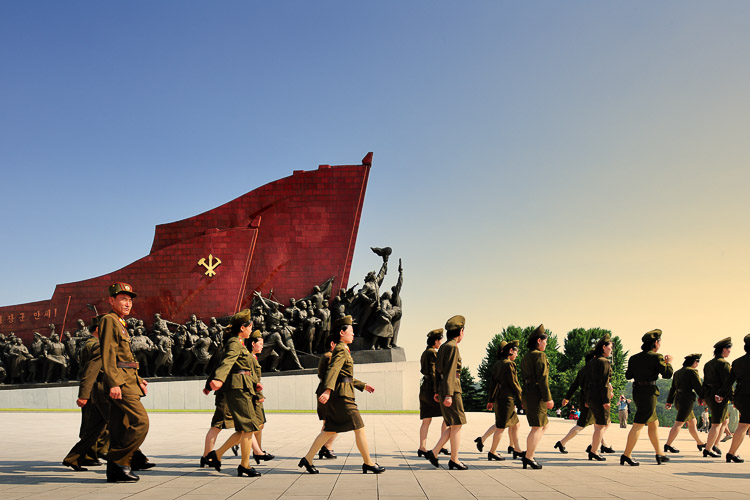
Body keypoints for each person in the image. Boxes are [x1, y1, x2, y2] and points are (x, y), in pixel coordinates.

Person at [298, 315, 384, 474]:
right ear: (341, 333)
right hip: (342, 397)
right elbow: (334, 370)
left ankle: (308, 459)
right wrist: (328, 390)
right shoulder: (339, 349)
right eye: (350, 331)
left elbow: (345, 375)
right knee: (360, 428)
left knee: (329, 430)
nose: (353, 334)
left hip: (344, 393)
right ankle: (368, 463)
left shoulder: (343, 349)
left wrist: (363, 385)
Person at [100, 282, 153, 482]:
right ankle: (116, 459)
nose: (127, 303)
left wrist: (139, 379)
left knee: (118, 427)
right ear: (111, 300)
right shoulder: (109, 320)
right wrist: (114, 383)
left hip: (129, 380)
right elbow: (108, 353)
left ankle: (117, 470)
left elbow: (126, 357)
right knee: (141, 422)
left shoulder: (121, 323)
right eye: (123, 299)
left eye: (130, 300)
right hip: (121, 383)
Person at [204, 310, 264, 477]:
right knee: (248, 426)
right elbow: (227, 362)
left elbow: (243, 369)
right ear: (242, 328)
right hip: (237, 389)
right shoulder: (234, 343)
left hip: (244, 388)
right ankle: (244, 465)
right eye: (250, 327)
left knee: (246, 428)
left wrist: (255, 383)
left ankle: (217, 455)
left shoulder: (240, 343)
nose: (251, 330)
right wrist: (218, 379)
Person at [620, 329, 673, 466]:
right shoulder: (657, 357)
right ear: (656, 343)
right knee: (638, 424)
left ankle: (659, 453)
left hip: (637, 391)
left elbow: (628, 376)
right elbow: (667, 374)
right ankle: (626, 454)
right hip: (649, 393)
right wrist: (669, 362)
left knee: (654, 423)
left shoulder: (634, 358)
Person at [62, 315, 108, 471]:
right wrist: (84, 394)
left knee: (93, 426)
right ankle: (107, 453)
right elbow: (90, 371)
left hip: (94, 388)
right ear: (97, 329)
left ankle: (80, 457)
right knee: (117, 423)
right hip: (97, 388)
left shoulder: (89, 344)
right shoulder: (95, 345)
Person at [423, 315, 468, 470]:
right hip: (452, 390)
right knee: (457, 424)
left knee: (454, 425)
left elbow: (437, 372)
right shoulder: (453, 347)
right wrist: (448, 394)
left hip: (444, 388)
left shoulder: (443, 347)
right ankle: (453, 459)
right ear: (460, 331)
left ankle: (435, 453)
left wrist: (438, 391)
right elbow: (449, 372)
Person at [555, 350, 614, 456]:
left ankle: (602, 445)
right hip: (590, 400)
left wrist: (567, 397)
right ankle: (562, 442)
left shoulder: (583, 370)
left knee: (601, 423)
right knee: (584, 424)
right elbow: (589, 386)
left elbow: (574, 385)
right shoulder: (591, 371)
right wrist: (588, 400)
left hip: (587, 399)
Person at [475, 340, 524, 461]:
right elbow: (514, 383)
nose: (517, 355)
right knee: (500, 427)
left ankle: (517, 449)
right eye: (516, 351)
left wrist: (490, 399)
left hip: (500, 398)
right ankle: (493, 452)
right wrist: (523, 399)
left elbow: (493, 384)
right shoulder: (509, 364)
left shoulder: (497, 365)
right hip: (506, 399)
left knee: (516, 424)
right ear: (511, 351)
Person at [520, 324, 554, 470]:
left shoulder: (527, 356)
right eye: (545, 341)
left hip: (528, 392)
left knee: (544, 425)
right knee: (537, 427)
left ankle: (529, 452)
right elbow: (543, 378)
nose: (546, 344)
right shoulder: (540, 355)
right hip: (537, 393)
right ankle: (529, 457)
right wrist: (548, 398)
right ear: (539, 341)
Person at [663, 354, 706, 454]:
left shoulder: (677, 372)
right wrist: (703, 397)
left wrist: (669, 401)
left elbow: (673, 388)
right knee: (679, 423)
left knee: (693, 422)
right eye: (697, 362)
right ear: (694, 362)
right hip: (686, 400)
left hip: (678, 399)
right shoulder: (692, 371)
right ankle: (668, 444)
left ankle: (699, 442)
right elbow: (698, 387)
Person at [418, 329, 449, 458]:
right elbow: (434, 372)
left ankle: (422, 447)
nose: (440, 343)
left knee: (426, 420)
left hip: (424, 387)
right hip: (432, 388)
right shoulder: (432, 354)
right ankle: (441, 445)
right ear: (435, 341)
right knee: (447, 417)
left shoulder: (424, 353)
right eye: (440, 340)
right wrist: (437, 391)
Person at [720, 333, 750, 463]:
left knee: (744, 424)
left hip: (741, 397)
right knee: (744, 425)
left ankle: (731, 453)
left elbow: (729, 382)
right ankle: (731, 453)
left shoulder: (737, 362)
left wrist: (720, 394)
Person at [702, 337, 732, 458]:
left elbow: (704, 381)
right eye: (729, 349)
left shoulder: (708, 364)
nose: (730, 351)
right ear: (724, 349)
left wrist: (703, 396)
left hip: (709, 394)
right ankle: (708, 448)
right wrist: (733, 398)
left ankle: (715, 444)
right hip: (719, 395)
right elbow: (727, 383)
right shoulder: (724, 364)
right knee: (716, 424)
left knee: (724, 420)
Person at [585, 336, 614, 461]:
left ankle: (594, 448)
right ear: (604, 347)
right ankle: (594, 451)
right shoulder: (604, 362)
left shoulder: (592, 362)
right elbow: (604, 383)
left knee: (601, 424)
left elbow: (588, 382)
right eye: (610, 347)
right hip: (599, 398)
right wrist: (606, 400)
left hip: (592, 396)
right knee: (601, 425)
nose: (611, 350)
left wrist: (587, 399)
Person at [314, 334, 340, 459]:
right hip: (327, 391)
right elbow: (326, 375)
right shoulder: (329, 356)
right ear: (332, 344)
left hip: (329, 391)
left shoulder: (331, 357)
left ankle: (326, 447)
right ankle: (326, 447)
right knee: (331, 422)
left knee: (330, 422)